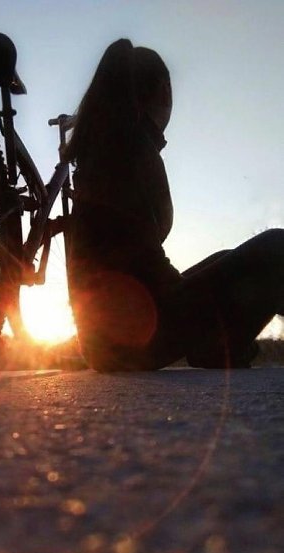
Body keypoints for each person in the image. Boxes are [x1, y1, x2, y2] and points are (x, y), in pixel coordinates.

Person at [64, 38, 284, 370]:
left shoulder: (108, 147)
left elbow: (135, 258)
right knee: (278, 247)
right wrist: (202, 311)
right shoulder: (134, 148)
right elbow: (152, 272)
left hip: (103, 344)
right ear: (165, 91)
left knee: (229, 258)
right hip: (135, 338)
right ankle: (216, 345)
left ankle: (220, 348)